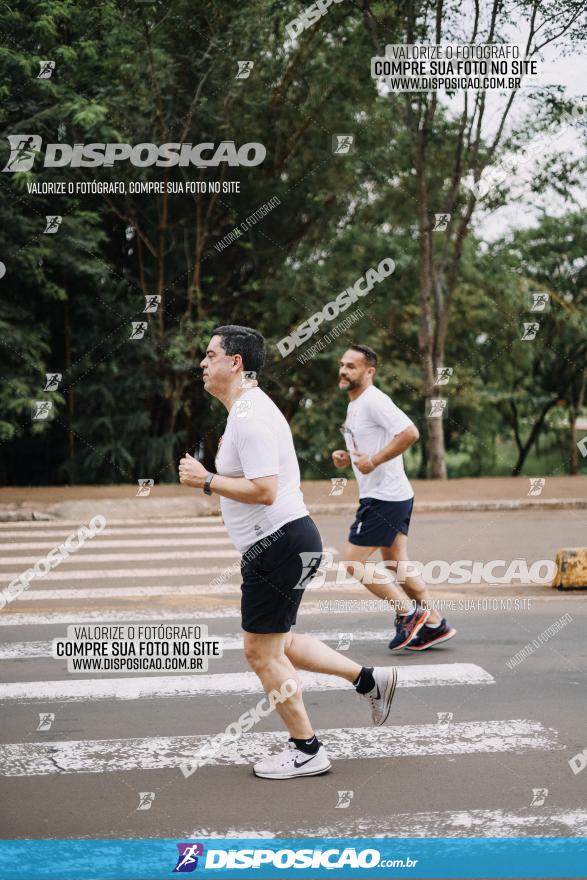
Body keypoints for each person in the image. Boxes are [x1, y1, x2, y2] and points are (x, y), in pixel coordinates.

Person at [179, 325, 398, 780]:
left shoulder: (250, 415)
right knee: (280, 644)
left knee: (261, 653)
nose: (203, 363)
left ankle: (307, 749)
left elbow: (263, 490)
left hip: (277, 542)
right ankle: (368, 680)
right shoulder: (245, 411)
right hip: (288, 539)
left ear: (235, 363)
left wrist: (205, 479)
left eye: (210, 354)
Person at [332, 344, 456, 651]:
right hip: (393, 494)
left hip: (384, 497)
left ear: (369, 372)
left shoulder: (374, 400)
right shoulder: (356, 404)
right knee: (398, 564)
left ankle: (409, 613)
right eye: (343, 365)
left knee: (353, 562)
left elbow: (410, 432)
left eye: (352, 366)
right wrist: (347, 457)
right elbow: (370, 444)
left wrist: (373, 461)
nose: (344, 370)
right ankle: (435, 624)